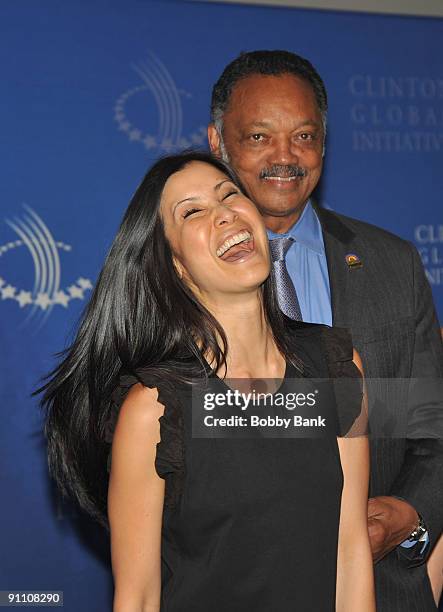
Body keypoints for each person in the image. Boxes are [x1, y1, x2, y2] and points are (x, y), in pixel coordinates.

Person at [40, 151, 374, 611]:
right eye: (193, 211)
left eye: (230, 195)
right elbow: (137, 598)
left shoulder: (338, 366)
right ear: (173, 264)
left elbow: (351, 548)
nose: (224, 215)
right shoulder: (156, 408)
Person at [208, 49, 443, 611]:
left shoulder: (391, 264)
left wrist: (410, 514)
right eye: (259, 137)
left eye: (305, 137)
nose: (285, 157)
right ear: (217, 142)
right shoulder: (169, 274)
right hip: (225, 587)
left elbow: (431, 427)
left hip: (380, 582)